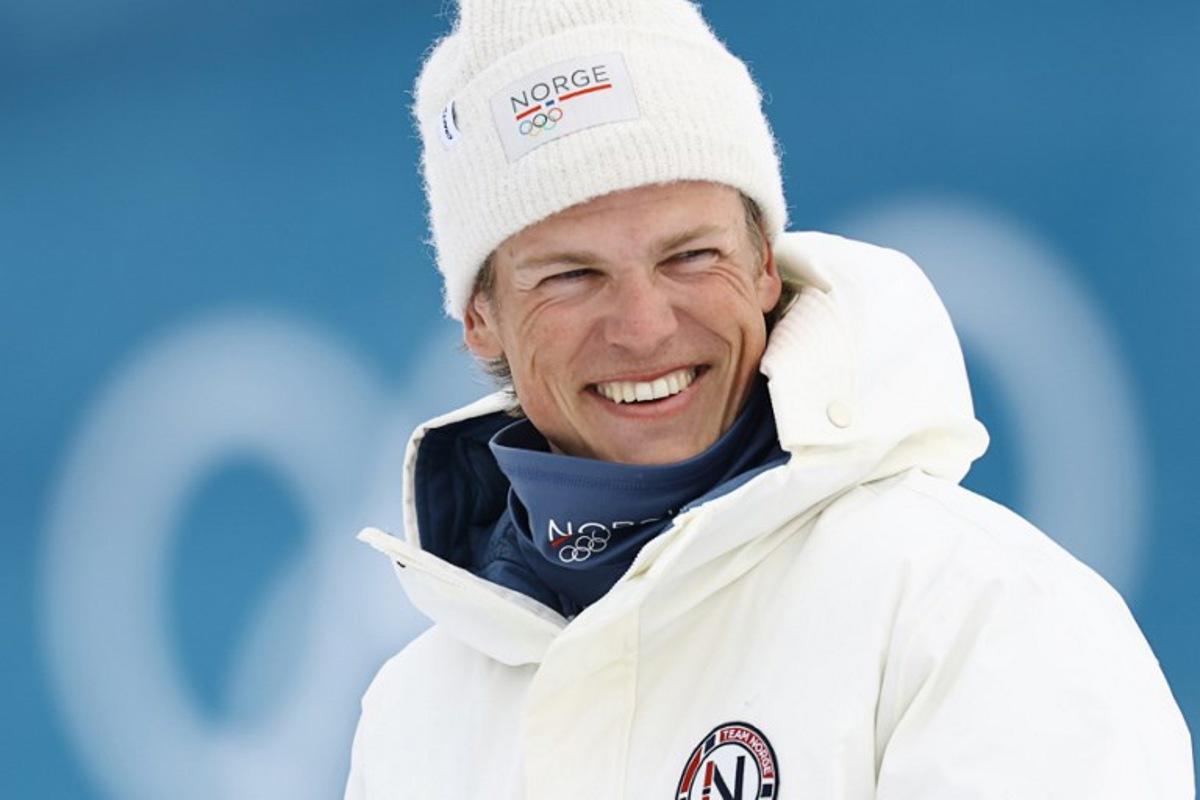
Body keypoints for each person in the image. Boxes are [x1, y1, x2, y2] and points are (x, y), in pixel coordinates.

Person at [344, 1, 1193, 797]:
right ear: (479, 318)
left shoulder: (974, 613)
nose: (643, 329)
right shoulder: (415, 715)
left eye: (689, 257)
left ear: (762, 267)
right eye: (572, 275)